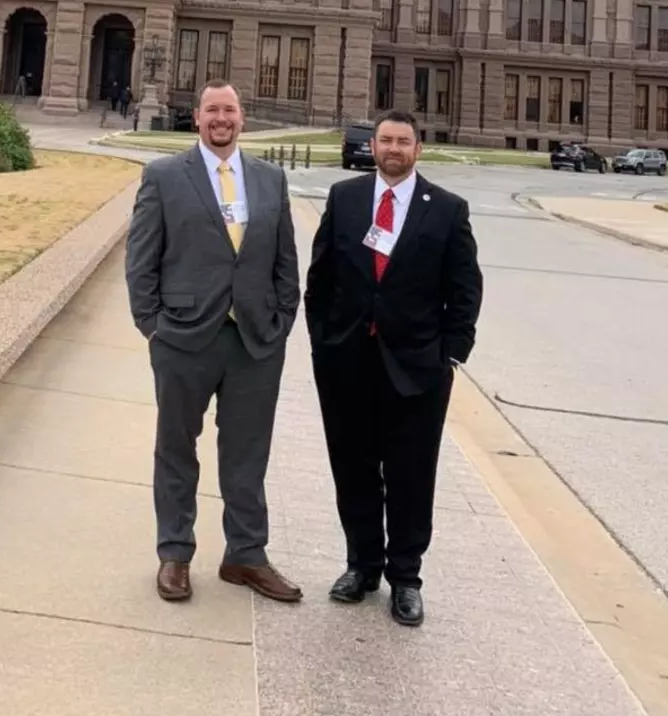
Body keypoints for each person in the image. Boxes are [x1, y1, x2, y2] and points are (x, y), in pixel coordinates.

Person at [125, 78, 303, 604]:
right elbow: (141, 260)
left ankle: (246, 555)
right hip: (183, 337)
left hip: (254, 341)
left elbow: (285, 262)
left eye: (229, 110)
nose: (221, 119)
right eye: (211, 111)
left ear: (241, 118)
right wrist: (152, 326)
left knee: (247, 454)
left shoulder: (271, 179)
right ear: (197, 118)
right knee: (177, 448)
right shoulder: (163, 176)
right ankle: (175, 553)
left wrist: (282, 321)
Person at [304, 109, 483, 626]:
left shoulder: (447, 209)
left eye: (403, 141)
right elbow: (322, 277)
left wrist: (452, 352)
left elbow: (465, 289)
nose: (393, 149)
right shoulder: (346, 198)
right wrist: (322, 342)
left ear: (417, 149)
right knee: (354, 469)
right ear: (374, 146)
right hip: (348, 363)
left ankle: (406, 577)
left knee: (410, 475)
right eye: (385, 140)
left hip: (418, 368)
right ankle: (362, 566)